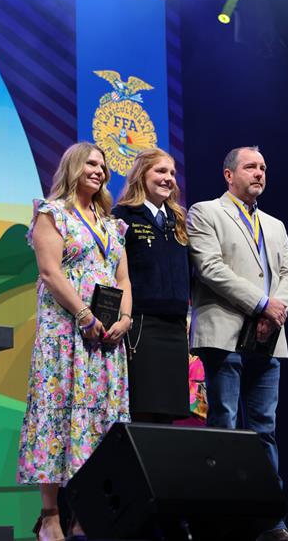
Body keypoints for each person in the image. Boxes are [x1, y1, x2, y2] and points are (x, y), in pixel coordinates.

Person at [17, 142, 132, 541]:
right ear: (73, 167)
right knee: (54, 414)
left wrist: (125, 319)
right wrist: (83, 315)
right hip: (65, 335)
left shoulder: (112, 225)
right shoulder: (53, 214)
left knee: (100, 422)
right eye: (90, 164)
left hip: (104, 341)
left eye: (103, 165)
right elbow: (50, 271)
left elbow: (123, 279)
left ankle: (86, 514)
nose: (99, 170)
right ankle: (50, 517)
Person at [187, 146, 288, 541]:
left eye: (263, 168)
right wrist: (261, 304)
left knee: (265, 430)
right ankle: (224, 521)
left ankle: (270, 522)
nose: (259, 173)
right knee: (225, 425)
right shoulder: (205, 212)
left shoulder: (275, 224)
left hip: (268, 339)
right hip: (224, 335)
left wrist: (275, 311)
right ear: (228, 174)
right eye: (251, 166)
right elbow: (210, 268)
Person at [112, 148, 190, 423]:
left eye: (172, 173)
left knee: (169, 415)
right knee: (143, 409)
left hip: (176, 328)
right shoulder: (122, 216)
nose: (169, 178)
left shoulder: (178, 219)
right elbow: (115, 274)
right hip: (141, 325)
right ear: (141, 174)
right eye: (161, 171)